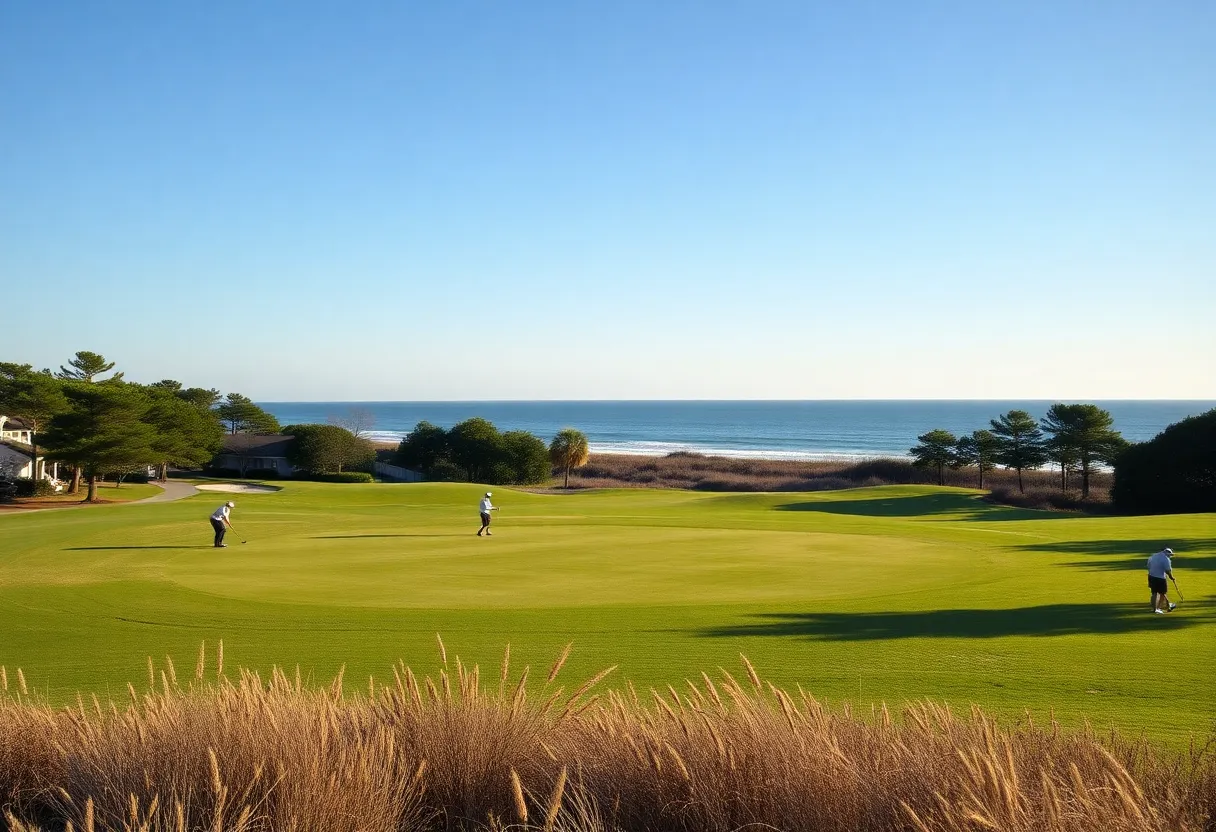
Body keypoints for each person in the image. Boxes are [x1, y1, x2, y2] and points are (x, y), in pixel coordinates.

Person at [1147, 547, 1177, 614]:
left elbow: (1148, 565)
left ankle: (1155, 608)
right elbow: (1168, 570)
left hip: (1151, 576)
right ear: (1168, 554)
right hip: (1160, 578)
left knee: (1154, 593)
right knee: (1162, 594)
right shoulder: (1166, 559)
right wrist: (1171, 577)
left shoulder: (1154, 556)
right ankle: (1158, 608)